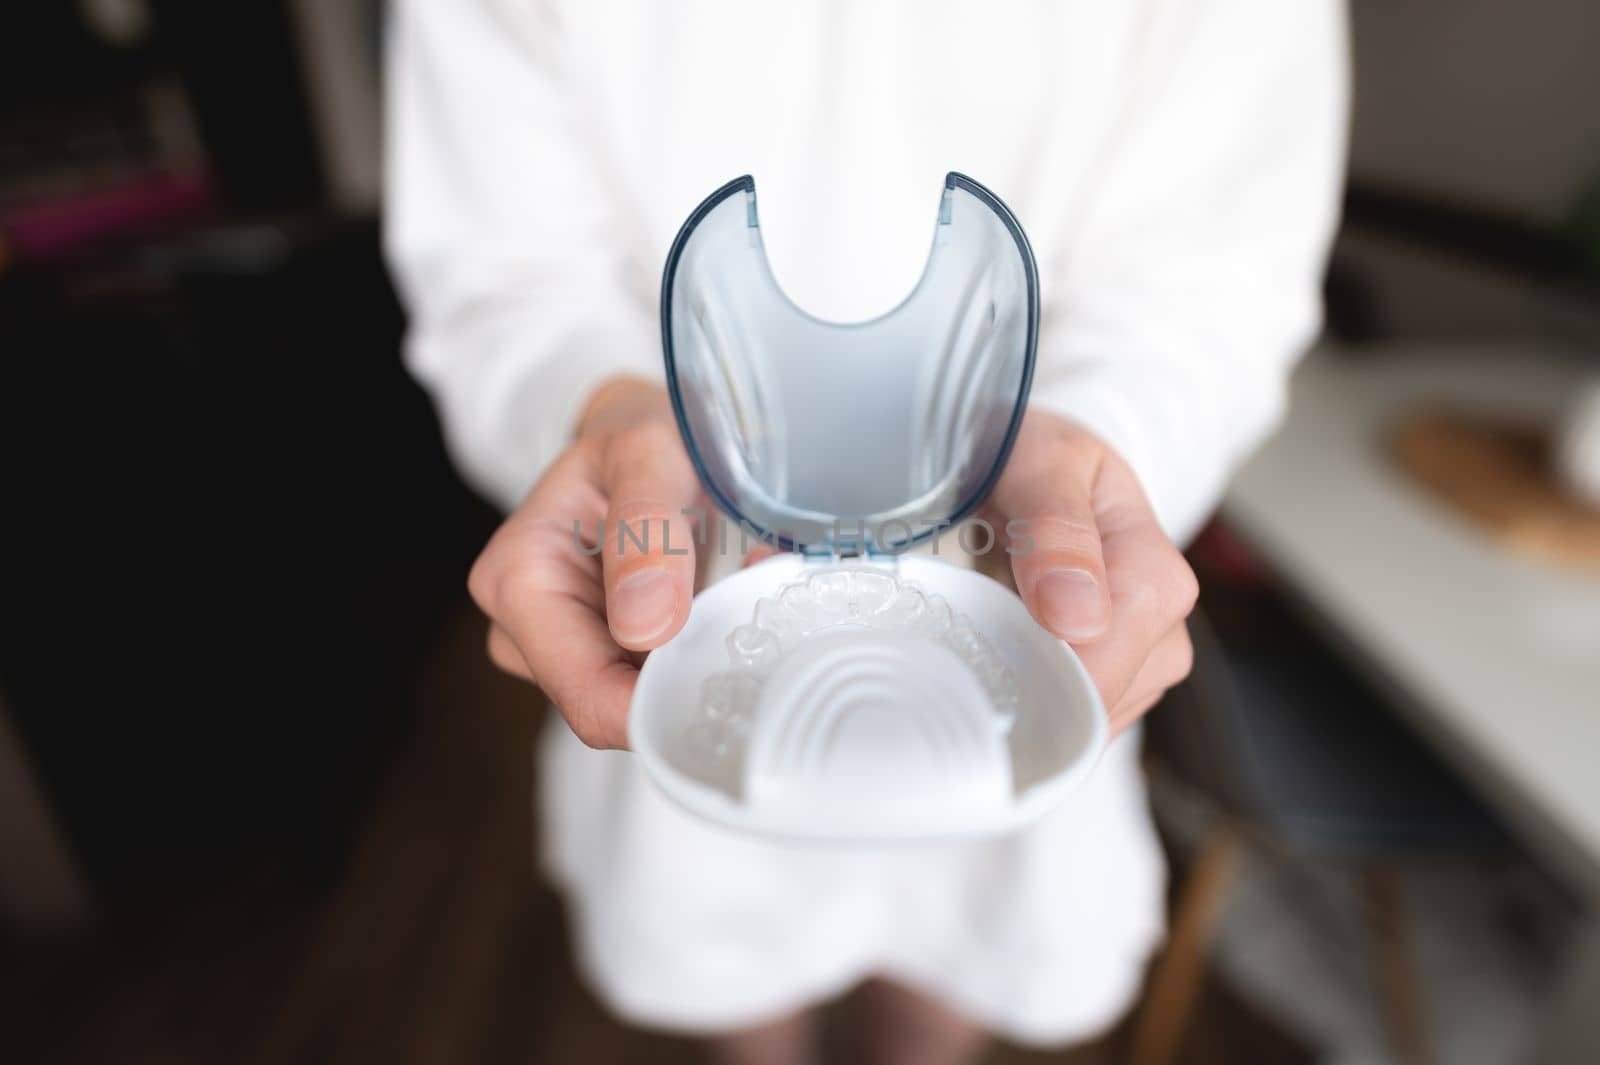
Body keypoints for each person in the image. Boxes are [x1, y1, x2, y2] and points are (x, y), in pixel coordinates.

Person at [385, 1, 1346, 1061]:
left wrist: (1096, 452)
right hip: (694, 594)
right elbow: (504, 263)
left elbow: (1212, 256)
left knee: (958, 953)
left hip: (1008, 601)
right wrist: (610, 413)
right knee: (730, 962)